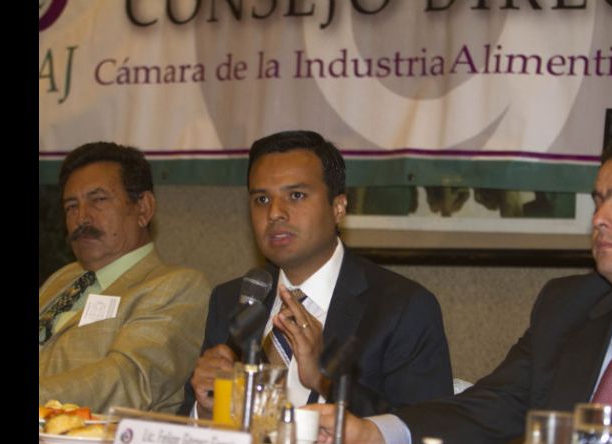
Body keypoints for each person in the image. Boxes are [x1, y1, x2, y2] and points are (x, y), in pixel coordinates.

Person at [311, 127, 612, 444]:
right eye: (599, 202)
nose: (600, 218)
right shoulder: (569, 305)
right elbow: (491, 406)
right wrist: (374, 434)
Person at [181, 130, 453, 418]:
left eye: (296, 195)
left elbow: (425, 430)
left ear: (338, 207)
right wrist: (206, 406)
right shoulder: (231, 300)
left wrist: (327, 383)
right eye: (261, 199)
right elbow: (188, 426)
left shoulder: (402, 308)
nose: (274, 213)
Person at [39, 142, 211, 414]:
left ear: (143, 208)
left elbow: (129, 380)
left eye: (98, 200)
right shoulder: (61, 279)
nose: (81, 217)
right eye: (71, 206)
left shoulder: (176, 286)